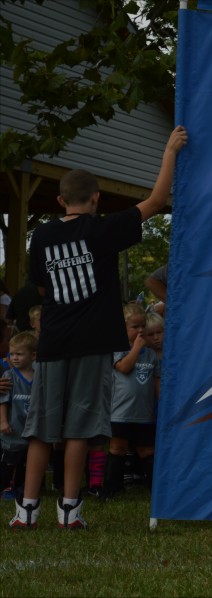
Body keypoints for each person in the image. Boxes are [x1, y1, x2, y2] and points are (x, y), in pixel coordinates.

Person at [9, 125, 187, 530]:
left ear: (59, 200)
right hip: (92, 344)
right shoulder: (103, 229)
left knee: (40, 428)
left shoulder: (42, 237)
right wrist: (170, 151)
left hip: (53, 341)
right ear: (96, 199)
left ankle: (27, 509)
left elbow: (39, 287)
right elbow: (157, 200)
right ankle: (70, 509)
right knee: (78, 429)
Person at [100, 304, 161, 500]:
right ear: (123, 328)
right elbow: (124, 368)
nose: (141, 330)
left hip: (144, 413)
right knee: (117, 448)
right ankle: (111, 489)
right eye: (135, 327)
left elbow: (157, 383)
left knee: (146, 450)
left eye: (143, 326)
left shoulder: (151, 354)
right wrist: (136, 347)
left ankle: (155, 489)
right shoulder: (118, 349)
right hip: (120, 412)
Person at [0, 332, 37, 500]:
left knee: (26, 462)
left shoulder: (39, 376)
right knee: (9, 461)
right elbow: (4, 402)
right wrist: (3, 421)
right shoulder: (9, 376)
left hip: (30, 429)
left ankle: (20, 487)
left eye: (19, 354)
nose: (14, 358)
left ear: (33, 355)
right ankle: (4, 487)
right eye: (11, 354)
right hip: (12, 430)